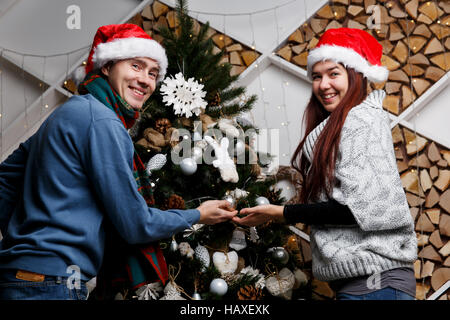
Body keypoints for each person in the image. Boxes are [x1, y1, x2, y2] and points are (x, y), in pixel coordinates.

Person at [0, 24, 237, 300]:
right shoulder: (102, 121)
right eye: (136, 66)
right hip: (52, 285)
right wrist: (198, 215)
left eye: (153, 73)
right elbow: (135, 223)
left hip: (18, 278)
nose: (146, 80)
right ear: (106, 67)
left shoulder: (69, 111)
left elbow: (4, 179)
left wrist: (25, 244)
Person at [233, 28, 418, 300]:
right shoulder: (339, 127)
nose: (323, 84)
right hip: (365, 285)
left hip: (375, 285)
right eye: (317, 76)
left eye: (334, 73)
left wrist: (281, 212)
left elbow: (359, 210)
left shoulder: (361, 121)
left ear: (356, 76)